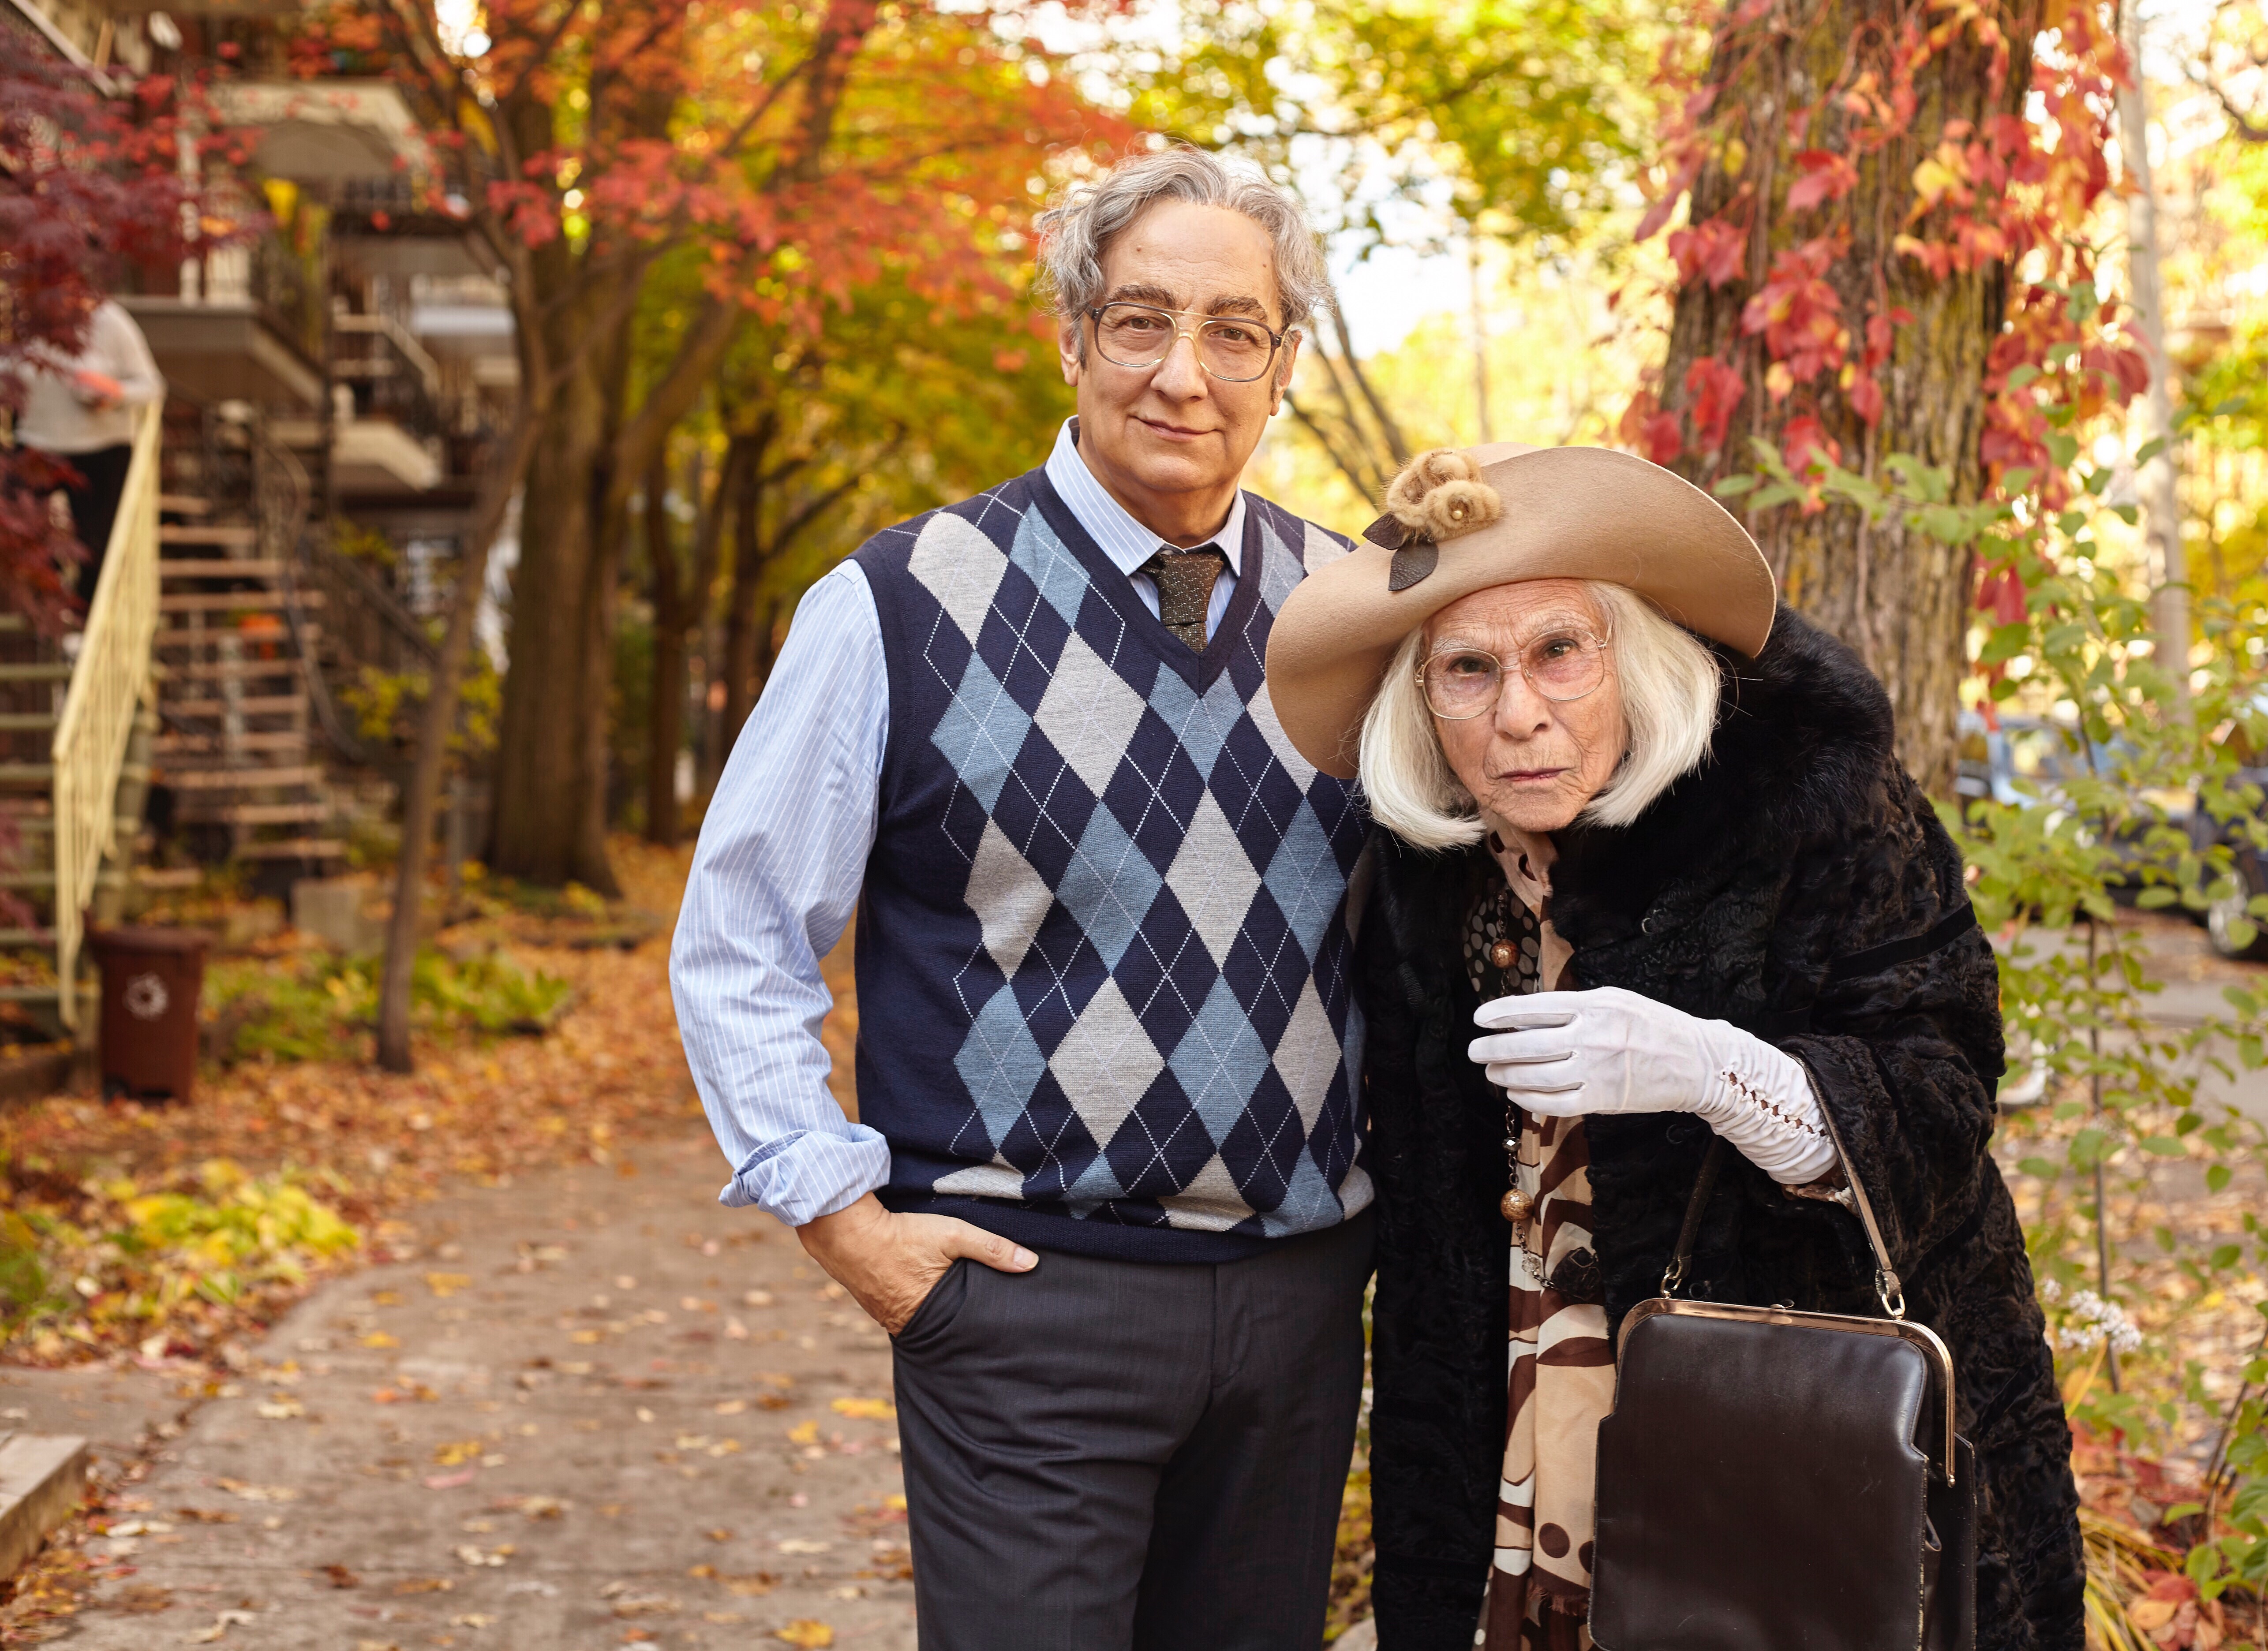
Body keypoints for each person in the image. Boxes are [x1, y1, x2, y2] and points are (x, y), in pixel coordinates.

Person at [670, 148, 1374, 1651]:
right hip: (1026, 1307)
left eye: (1232, 332)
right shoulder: (897, 600)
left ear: (1283, 366)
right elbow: (739, 935)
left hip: (1295, 1317)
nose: (1183, 373)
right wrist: (843, 1221)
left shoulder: (1357, 614)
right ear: (1071, 339)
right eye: (1139, 321)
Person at [1263, 445, 2085, 1651]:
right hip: (1513, 1436)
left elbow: (1943, 1097)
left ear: (1630, 653)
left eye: (1558, 651)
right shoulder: (1422, 869)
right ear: (1419, 703)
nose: (1520, 714)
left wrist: (1717, 1073)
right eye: (1469, 671)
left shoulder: (1806, 799)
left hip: (1796, 1445)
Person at [12, 295, 164, 603]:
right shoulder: (26, 321)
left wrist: (114, 391)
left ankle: (85, 619)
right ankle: (48, 612)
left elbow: (152, 385)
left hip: (103, 451)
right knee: (23, 536)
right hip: (38, 448)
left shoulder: (113, 322)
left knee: (98, 544)